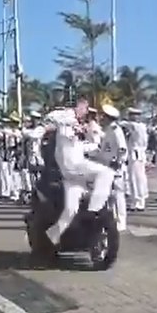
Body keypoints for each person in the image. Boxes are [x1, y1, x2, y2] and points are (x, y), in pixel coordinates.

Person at [45, 100, 115, 246]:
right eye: (85, 108)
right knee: (106, 173)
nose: (86, 112)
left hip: (74, 176)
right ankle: (93, 212)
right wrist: (70, 117)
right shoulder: (65, 120)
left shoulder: (83, 127)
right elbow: (50, 118)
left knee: (71, 209)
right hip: (72, 167)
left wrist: (97, 147)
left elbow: (80, 146)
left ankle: (51, 238)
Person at [96, 105, 128, 231]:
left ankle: (121, 221)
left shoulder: (116, 130)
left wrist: (118, 162)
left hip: (115, 168)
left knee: (118, 195)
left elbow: (122, 149)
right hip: (106, 166)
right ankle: (114, 219)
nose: (101, 118)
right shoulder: (108, 130)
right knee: (110, 196)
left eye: (103, 116)